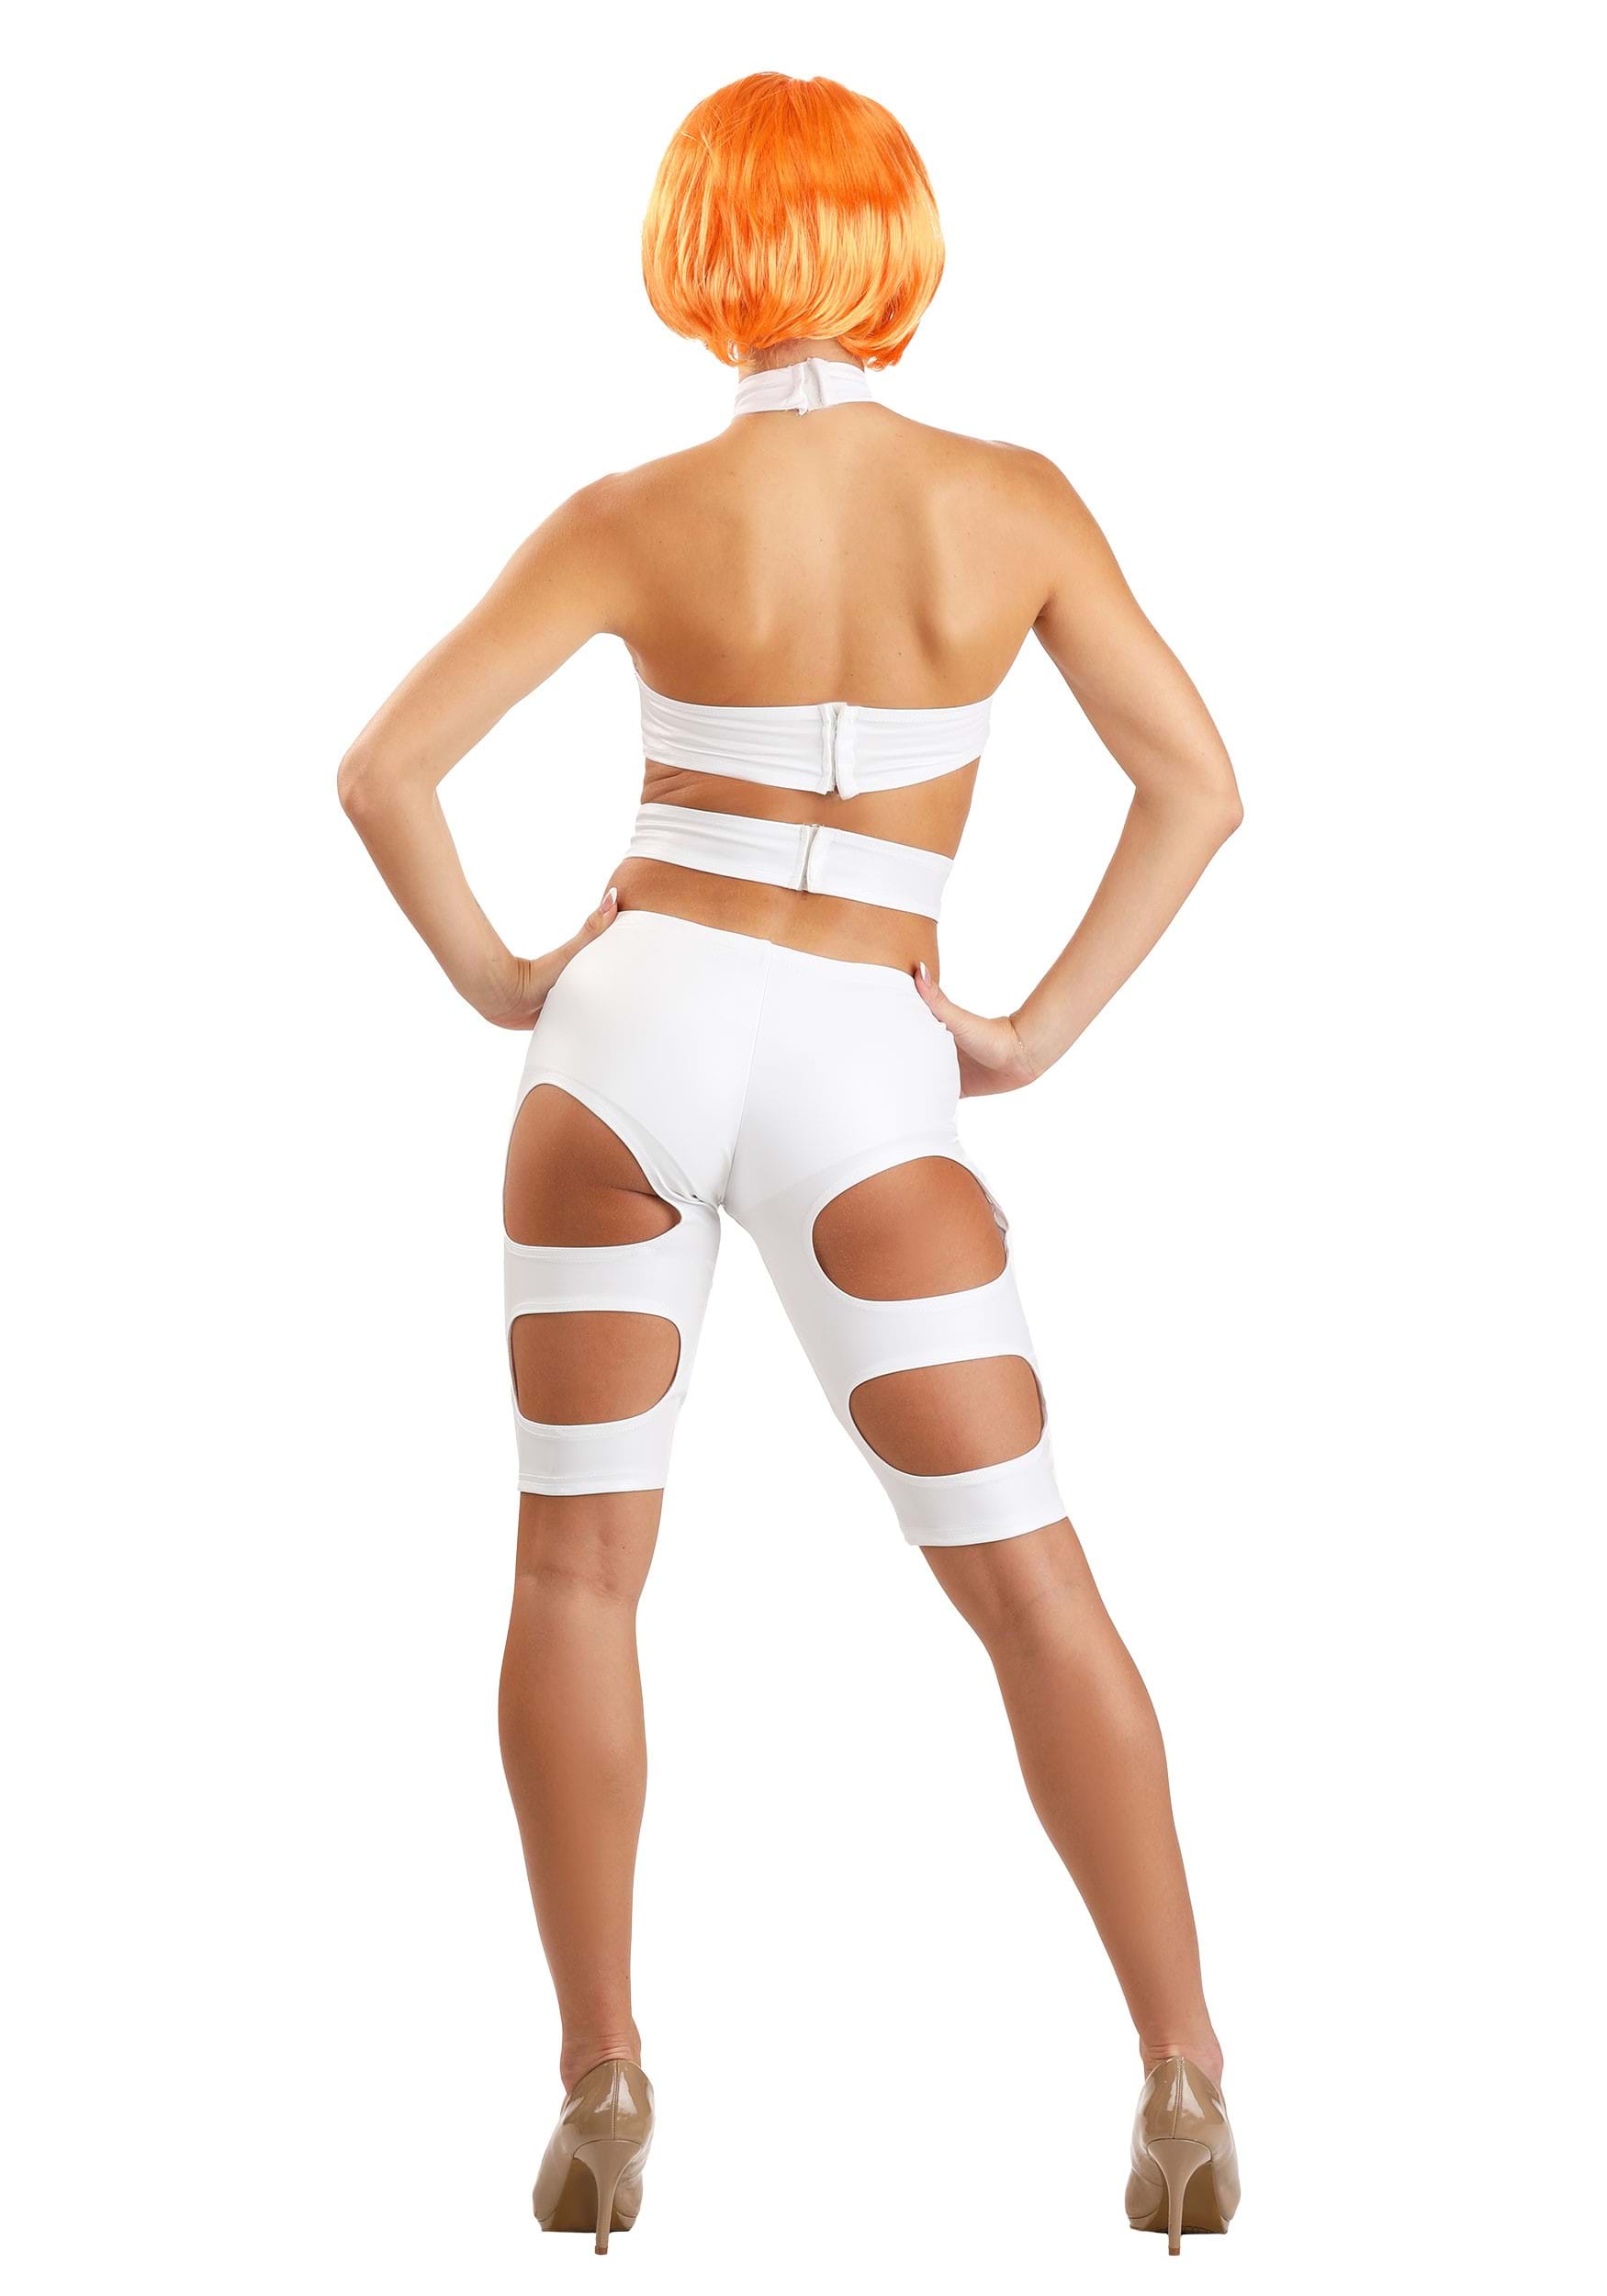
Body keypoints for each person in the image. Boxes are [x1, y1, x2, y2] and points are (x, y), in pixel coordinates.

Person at [338, 70, 1243, 2259]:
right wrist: (1026, 1026)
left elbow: (383, 769)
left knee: (576, 1573)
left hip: (625, 1041)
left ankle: (598, 2074)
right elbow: (1197, 786)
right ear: (893, 246)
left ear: (701, 250)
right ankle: (1181, 2068)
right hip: (867, 1054)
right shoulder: (1010, 503)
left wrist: (501, 976)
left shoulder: (630, 513)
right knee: (1031, 1586)